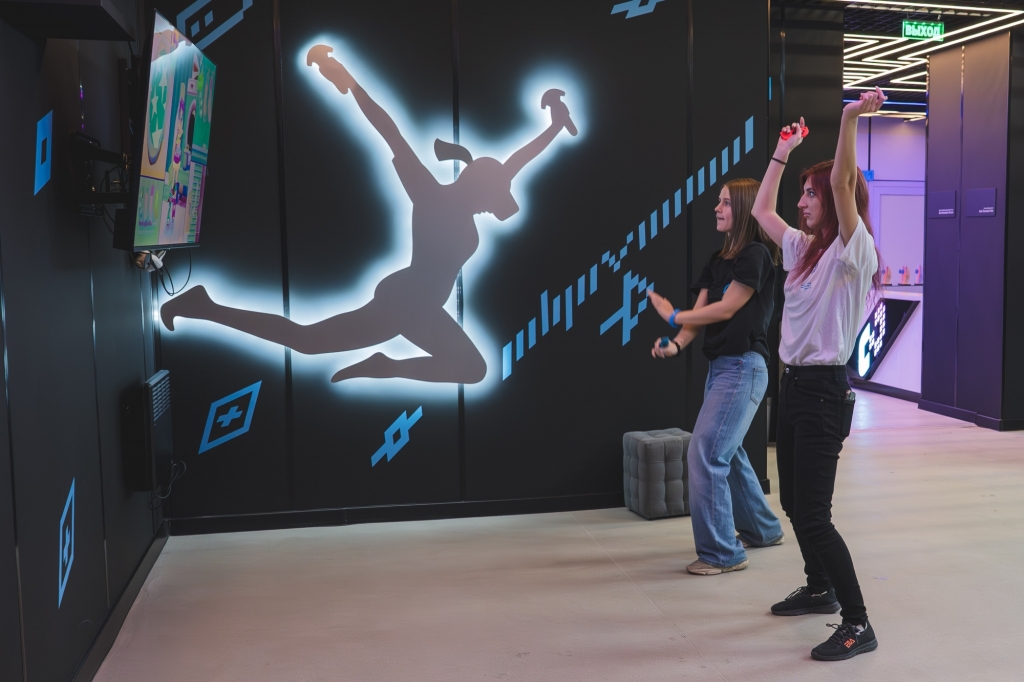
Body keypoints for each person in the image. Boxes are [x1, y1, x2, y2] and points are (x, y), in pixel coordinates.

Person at [160, 45, 577, 384]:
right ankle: (207, 307)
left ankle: (383, 366)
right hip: (406, 303)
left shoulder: (470, 197)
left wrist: (555, 126)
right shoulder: (431, 196)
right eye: (495, 193)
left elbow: (517, 161)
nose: (496, 202)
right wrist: (346, 79)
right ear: (477, 185)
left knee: (470, 369)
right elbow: (390, 132)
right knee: (307, 341)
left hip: (420, 308)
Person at [750, 88, 885, 661]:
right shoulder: (804, 249)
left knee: (813, 514)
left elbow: (843, 181)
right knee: (793, 503)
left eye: (811, 193)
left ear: (834, 200)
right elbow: (761, 212)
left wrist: (849, 118)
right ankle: (819, 586)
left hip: (825, 392)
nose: (803, 202)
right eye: (803, 192)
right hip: (794, 386)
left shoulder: (854, 253)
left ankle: (857, 622)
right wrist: (782, 152)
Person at [646, 177, 784, 576]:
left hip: (743, 367)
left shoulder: (756, 255)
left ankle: (722, 553)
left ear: (742, 208)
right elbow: (701, 315)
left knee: (706, 452)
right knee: (728, 452)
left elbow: (726, 308)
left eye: (724, 202)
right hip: (722, 368)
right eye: (718, 202)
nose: (717, 208)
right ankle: (763, 529)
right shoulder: (717, 259)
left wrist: (674, 315)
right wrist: (676, 343)